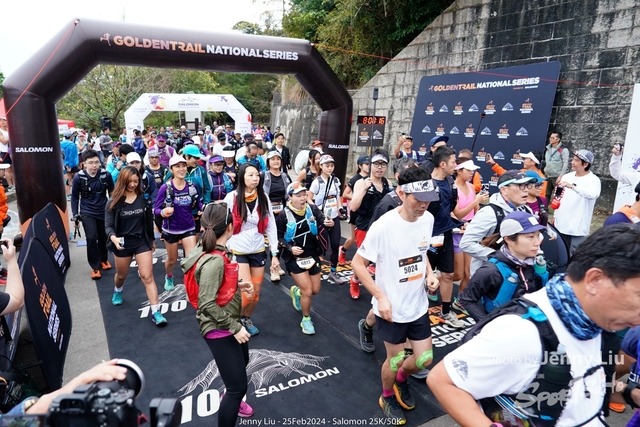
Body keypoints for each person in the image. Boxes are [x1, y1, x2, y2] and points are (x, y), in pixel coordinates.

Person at [428, 223, 640, 427]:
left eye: (538, 235)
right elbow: (444, 381)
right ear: (595, 280)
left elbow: (583, 383)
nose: (537, 241)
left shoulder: (594, 324)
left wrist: (630, 394)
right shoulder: (522, 332)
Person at [352, 166, 440, 424]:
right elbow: (358, 263)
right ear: (401, 194)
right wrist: (380, 297)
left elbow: (421, 251)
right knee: (395, 359)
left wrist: (430, 273)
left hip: (417, 304)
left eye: (428, 200)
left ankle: (401, 380)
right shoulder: (384, 225)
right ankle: (387, 395)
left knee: (424, 359)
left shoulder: (428, 219)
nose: (424, 205)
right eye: (418, 199)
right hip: (391, 307)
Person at [180, 203, 255, 426]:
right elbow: (206, 303)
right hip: (219, 327)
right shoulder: (214, 260)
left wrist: (236, 285)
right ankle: (231, 400)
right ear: (230, 227)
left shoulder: (207, 246)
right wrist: (235, 327)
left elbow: (211, 284)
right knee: (237, 388)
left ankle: (230, 398)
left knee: (242, 362)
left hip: (229, 319)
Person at [458, 211, 548, 321]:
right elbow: (467, 299)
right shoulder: (491, 270)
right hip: (502, 327)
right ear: (508, 240)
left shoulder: (534, 264)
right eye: (530, 237)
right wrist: (487, 324)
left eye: (538, 235)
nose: (537, 242)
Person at [104, 166, 167, 325]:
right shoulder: (113, 202)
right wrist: (113, 238)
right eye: (129, 181)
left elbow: (148, 222)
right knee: (121, 275)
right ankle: (118, 289)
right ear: (122, 181)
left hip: (141, 242)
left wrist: (151, 240)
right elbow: (108, 226)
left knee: (147, 276)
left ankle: (156, 312)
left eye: (135, 181)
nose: (132, 184)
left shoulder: (144, 199)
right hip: (122, 244)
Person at [223, 163, 279, 336]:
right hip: (238, 250)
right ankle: (233, 321)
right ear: (242, 177)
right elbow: (223, 223)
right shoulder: (231, 197)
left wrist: (275, 253)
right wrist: (224, 248)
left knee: (256, 293)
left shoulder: (263, 197)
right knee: (247, 293)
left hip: (258, 249)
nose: (255, 178)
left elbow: (271, 226)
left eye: (256, 175)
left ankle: (245, 318)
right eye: (250, 175)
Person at [278, 182, 331, 335]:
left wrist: (329, 222)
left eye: (304, 195)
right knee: (307, 291)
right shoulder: (283, 215)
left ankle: (297, 292)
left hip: (312, 254)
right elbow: (278, 237)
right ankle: (306, 319)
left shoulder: (311, 209)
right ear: (290, 197)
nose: (302, 198)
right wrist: (289, 248)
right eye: (298, 195)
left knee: (315, 290)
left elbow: (322, 219)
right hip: (294, 258)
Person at [460, 170, 536, 276]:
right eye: (521, 186)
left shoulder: (526, 210)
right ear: (504, 190)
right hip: (491, 277)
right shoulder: (489, 213)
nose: (526, 190)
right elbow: (466, 244)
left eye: (528, 185)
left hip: (521, 274)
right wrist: (500, 257)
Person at [426, 146, 465, 328]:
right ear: (442, 164)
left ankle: (446, 312)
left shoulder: (451, 183)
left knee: (448, 274)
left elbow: (452, 209)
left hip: (447, 234)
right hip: (427, 238)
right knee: (421, 277)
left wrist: (461, 222)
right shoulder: (426, 183)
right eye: (453, 162)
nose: (455, 165)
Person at [154, 155, 204, 291]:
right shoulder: (165, 188)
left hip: (189, 227)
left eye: (183, 166)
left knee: (191, 259)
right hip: (171, 229)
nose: (181, 169)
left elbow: (198, 203)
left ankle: (190, 286)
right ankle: (169, 276)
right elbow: (156, 210)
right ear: (171, 169)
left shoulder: (192, 186)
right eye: (177, 166)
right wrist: (163, 212)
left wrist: (204, 208)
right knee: (172, 260)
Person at [349, 149, 391, 300]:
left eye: (383, 164)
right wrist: (364, 189)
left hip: (383, 227)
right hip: (364, 227)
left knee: (382, 260)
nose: (380, 167)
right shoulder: (361, 182)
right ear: (370, 164)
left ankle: (381, 289)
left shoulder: (387, 183)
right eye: (376, 164)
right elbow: (353, 207)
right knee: (363, 261)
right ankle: (355, 281)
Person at [71, 150, 115, 280]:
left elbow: (112, 193)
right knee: (91, 238)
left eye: (96, 162)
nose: (94, 165)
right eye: (90, 163)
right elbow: (74, 198)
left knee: (103, 236)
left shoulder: (106, 175)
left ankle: (104, 259)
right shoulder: (79, 178)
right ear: (84, 164)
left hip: (104, 210)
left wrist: (114, 209)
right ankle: (95, 267)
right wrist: (75, 215)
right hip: (87, 212)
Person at [452, 158, 488, 306]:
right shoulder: (453, 187)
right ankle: (433, 282)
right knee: (458, 274)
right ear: (459, 171)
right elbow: (457, 213)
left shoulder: (472, 187)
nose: (472, 173)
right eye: (468, 170)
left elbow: (476, 211)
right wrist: (476, 201)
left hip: (470, 232)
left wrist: (475, 225)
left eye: (473, 170)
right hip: (456, 232)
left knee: (469, 272)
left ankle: (460, 301)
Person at [553, 150, 601, 254]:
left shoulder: (593, 180)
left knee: (577, 256)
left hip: (578, 227)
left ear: (585, 164)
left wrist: (573, 187)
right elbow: (558, 197)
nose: (572, 162)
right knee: (560, 254)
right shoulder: (566, 177)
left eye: (576, 160)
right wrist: (555, 216)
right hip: (561, 225)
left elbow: (593, 194)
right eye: (573, 159)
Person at [308, 154, 344, 285]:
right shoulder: (317, 182)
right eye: (327, 166)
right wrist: (318, 213)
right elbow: (308, 198)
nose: (330, 168)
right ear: (321, 166)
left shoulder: (336, 180)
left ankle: (333, 272)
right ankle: (312, 270)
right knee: (321, 247)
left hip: (333, 217)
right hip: (321, 218)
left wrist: (340, 208)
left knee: (335, 245)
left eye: (332, 166)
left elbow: (337, 197)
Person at [263, 150, 292, 282]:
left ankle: (277, 264)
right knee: (273, 240)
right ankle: (273, 269)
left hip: (282, 213)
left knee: (280, 240)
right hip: (268, 212)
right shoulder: (263, 176)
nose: (276, 161)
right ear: (268, 162)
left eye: (278, 159)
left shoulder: (285, 176)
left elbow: (289, 194)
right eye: (273, 159)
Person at [339, 155, 370, 265]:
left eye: (370, 164)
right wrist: (358, 198)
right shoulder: (356, 179)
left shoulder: (371, 178)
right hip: (356, 212)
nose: (369, 166)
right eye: (367, 164)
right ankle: (343, 251)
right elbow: (345, 194)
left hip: (366, 212)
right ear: (360, 166)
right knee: (354, 238)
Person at [543, 131, 569, 201]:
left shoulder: (563, 150)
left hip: (557, 176)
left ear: (558, 139)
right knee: (546, 194)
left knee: (557, 195)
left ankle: (556, 208)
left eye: (552, 138)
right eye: (550, 137)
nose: (550, 139)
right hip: (548, 175)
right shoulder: (548, 148)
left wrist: (560, 176)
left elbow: (565, 163)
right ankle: (545, 207)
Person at [61, 130, 80, 200]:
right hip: (72, 164)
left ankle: (68, 194)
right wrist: (70, 166)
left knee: (67, 180)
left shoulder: (60, 144)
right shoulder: (72, 145)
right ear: (70, 136)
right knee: (78, 178)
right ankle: (77, 192)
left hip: (64, 163)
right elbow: (72, 156)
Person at [0, 116, 14, 190]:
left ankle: (14, 184)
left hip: (11, 151)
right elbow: (3, 141)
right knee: (7, 169)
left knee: (12, 168)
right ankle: (10, 185)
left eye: (4, 120)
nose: (2, 122)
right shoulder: (0, 131)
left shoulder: (9, 130)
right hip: (4, 151)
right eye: (1, 121)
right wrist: (11, 136)